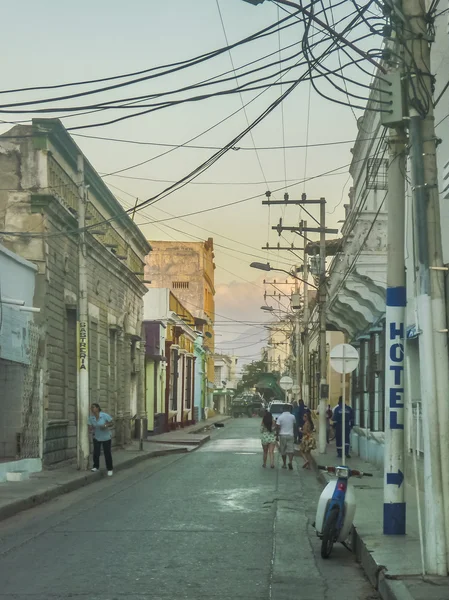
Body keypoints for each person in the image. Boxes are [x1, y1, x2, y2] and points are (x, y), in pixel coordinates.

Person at [88, 403, 114, 475]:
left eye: (93, 407)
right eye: (91, 408)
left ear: (97, 408)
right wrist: (90, 429)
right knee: (96, 453)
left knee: (107, 453)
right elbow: (90, 427)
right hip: (96, 437)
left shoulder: (104, 415)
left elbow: (112, 423)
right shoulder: (91, 418)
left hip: (106, 437)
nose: (92, 409)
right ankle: (95, 466)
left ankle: (110, 469)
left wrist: (105, 425)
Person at [276, 405, 297, 470]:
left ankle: (284, 464)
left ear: (283, 409)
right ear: (289, 409)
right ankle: (290, 462)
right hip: (290, 435)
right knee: (291, 450)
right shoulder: (292, 416)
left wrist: (277, 435)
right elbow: (294, 425)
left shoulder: (280, 417)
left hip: (282, 435)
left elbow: (277, 427)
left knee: (283, 450)